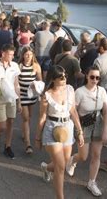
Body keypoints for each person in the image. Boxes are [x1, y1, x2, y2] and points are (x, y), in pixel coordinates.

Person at [35, 65, 84, 199]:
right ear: (53, 79)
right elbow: (42, 117)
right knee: (61, 166)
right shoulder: (47, 95)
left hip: (67, 127)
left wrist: (79, 131)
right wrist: (37, 138)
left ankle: (46, 168)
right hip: (52, 128)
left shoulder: (70, 89)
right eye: (61, 77)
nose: (64, 79)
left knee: (63, 162)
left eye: (65, 76)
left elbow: (73, 111)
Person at [66, 67, 107, 196]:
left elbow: (106, 112)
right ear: (86, 76)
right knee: (83, 156)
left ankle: (92, 182)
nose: (94, 80)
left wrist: (105, 130)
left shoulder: (102, 91)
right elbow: (73, 111)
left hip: (98, 124)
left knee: (96, 155)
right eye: (92, 77)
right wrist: (78, 129)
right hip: (83, 125)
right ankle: (73, 159)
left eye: (97, 78)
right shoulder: (79, 92)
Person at [18, 46, 42, 154]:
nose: (29, 57)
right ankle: (28, 144)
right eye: (27, 54)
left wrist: (36, 85)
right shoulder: (19, 66)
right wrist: (18, 100)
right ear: (22, 55)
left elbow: (40, 81)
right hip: (22, 95)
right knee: (26, 118)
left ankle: (24, 133)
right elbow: (16, 84)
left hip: (32, 95)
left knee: (29, 117)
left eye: (31, 55)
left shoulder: (36, 66)